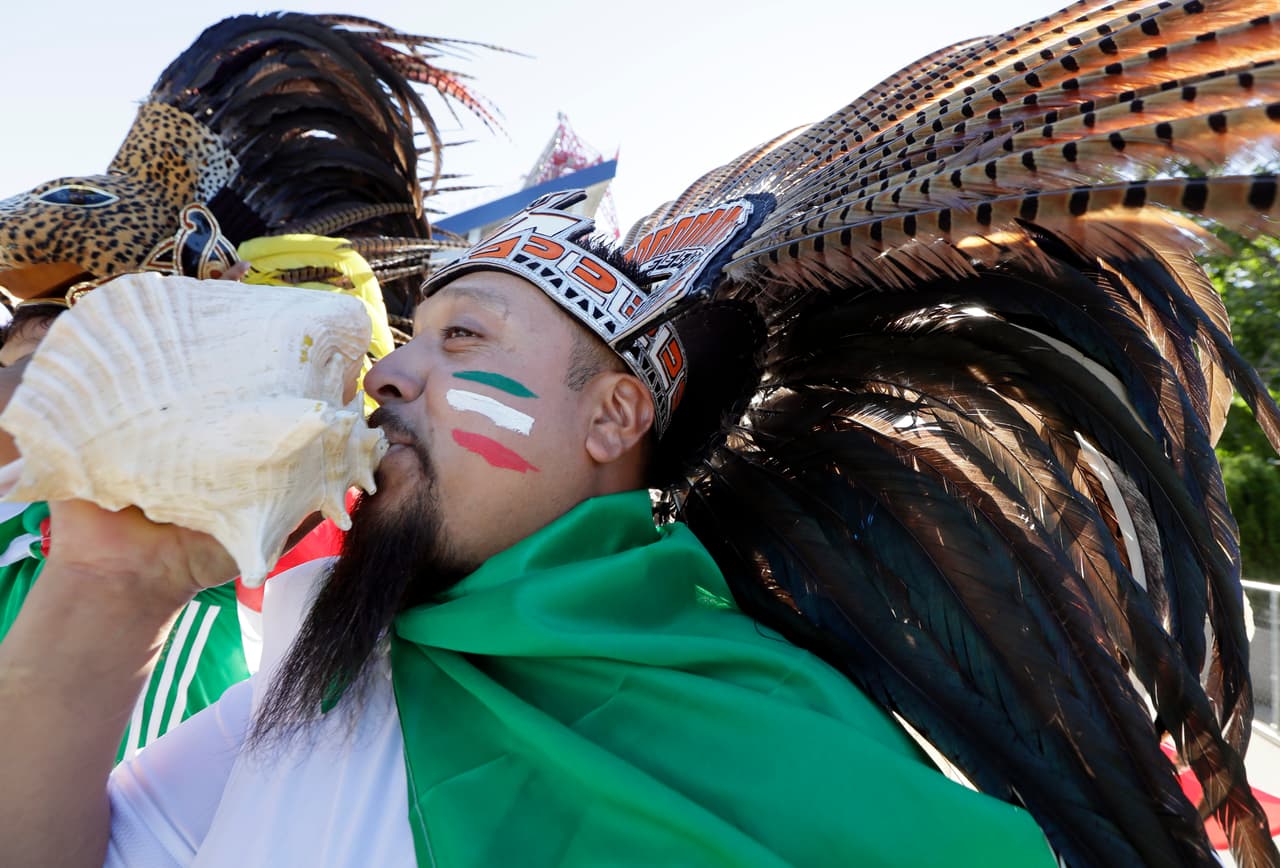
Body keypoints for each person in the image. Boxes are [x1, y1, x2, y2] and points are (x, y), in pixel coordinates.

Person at [6, 2, 1280, 865]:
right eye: (408, 342)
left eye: (466, 345)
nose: (391, 378)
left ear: (614, 414)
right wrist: (103, 595)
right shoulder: (314, 680)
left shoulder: (774, 732)